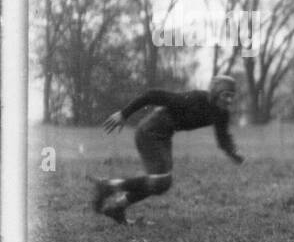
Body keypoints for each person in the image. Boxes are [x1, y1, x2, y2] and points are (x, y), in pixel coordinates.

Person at [94, 75, 244, 224]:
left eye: (232, 96)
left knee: (160, 184)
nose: (229, 100)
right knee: (161, 181)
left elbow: (223, 137)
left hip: (164, 136)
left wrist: (232, 152)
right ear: (216, 92)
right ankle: (108, 187)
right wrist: (124, 113)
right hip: (149, 131)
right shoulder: (196, 99)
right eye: (226, 95)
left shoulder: (221, 113)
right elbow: (152, 95)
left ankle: (117, 207)